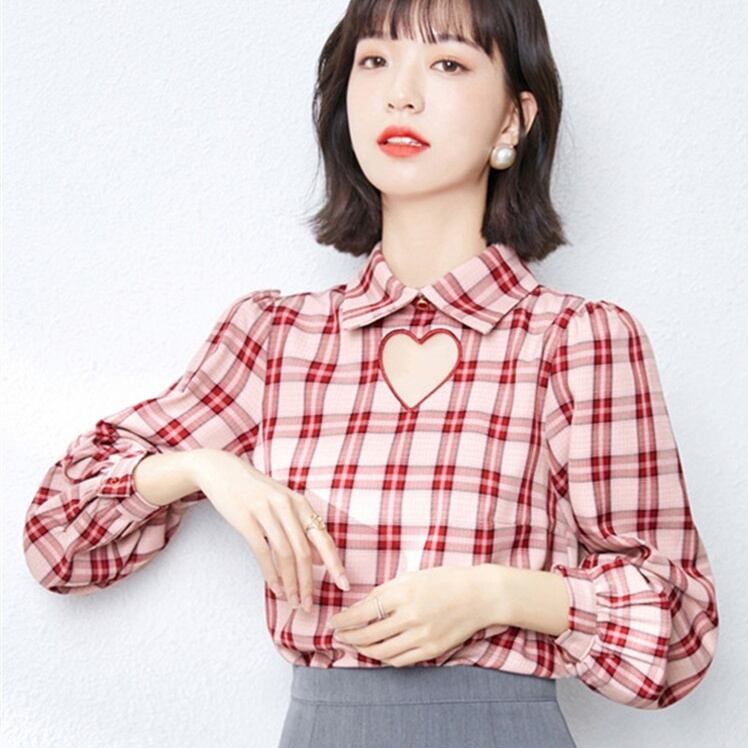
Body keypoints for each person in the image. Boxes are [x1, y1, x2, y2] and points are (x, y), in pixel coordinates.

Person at [23, 0, 720, 746]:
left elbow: (680, 635)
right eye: (375, 61)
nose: (401, 95)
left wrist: (494, 593)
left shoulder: (577, 341)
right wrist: (203, 468)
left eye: (447, 63)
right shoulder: (278, 337)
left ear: (514, 121)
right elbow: (57, 543)